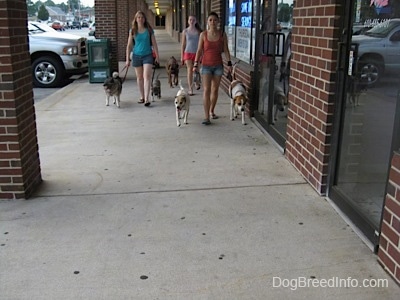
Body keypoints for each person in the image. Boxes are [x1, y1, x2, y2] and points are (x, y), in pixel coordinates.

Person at [193, 12, 232, 125]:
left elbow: (226, 50)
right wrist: (195, 64)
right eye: (210, 20)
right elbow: (199, 50)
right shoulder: (203, 35)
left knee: (215, 90)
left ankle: (212, 110)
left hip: (218, 65)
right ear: (207, 22)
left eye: (215, 20)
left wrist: (229, 64)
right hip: (206, 66)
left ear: (218, 22)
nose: (213, 22)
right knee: (206, 90)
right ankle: (206, 117)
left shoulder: (222, 35)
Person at [125, 11, 159, 106]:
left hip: (148, 55)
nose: (140, 19)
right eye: (138, 17)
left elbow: (154, 43)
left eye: (142, 17)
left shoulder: (149, 30)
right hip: (136, 55)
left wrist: (157, 56)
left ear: (144, 19)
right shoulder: (132, 31)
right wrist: (127, 59)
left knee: (147, 77)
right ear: (136, 19)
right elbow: (129, 46)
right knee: (140, 78)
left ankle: (147, 99)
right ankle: (142, 96)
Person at [181, 15, 202, 96]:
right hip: (188, 52)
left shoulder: (199, 32)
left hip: (197, 53)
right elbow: (183, 44)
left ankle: (197, 82)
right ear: (188, 21)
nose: (192, 21)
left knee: (196, 69)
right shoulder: (185, 31)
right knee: (189, 70)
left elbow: (201, 44)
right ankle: (190, 88)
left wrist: (202, 54)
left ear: (196, 21)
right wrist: (182, 56)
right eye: (190, 20)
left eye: (193, 20)